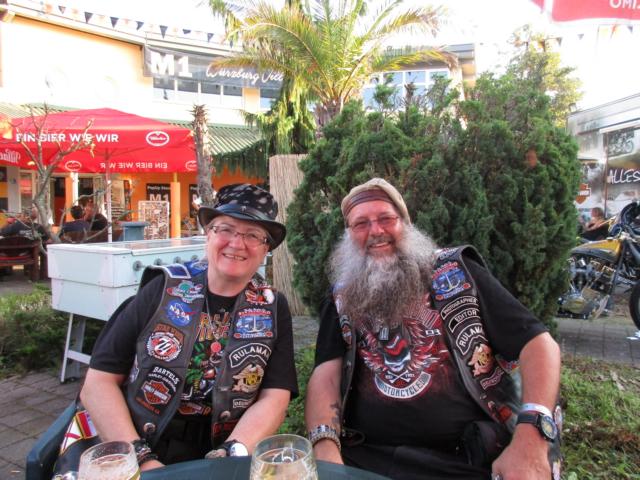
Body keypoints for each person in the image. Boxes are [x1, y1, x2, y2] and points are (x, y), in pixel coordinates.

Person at [305, 178, 562, 480]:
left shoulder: (457, 274)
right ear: (348, 235)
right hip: (370, 455)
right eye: (361, 224)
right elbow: (326, 374)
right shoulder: (342, 296)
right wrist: (325, 447)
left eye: (386, 218)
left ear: (406, 224)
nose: (375, 231)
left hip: (469, 456)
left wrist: (531, 435)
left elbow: (538, 344)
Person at [69, 184, 298, 473]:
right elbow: (98, 383)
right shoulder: (161, 289)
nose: (237, 243)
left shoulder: (272, 307)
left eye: (253, 235)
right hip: (136, 438)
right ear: (208, 234)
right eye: (225, 229)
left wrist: (233, 452)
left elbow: (276, 396)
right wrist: (141, 459)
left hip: (223, 447)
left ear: (266, 249)